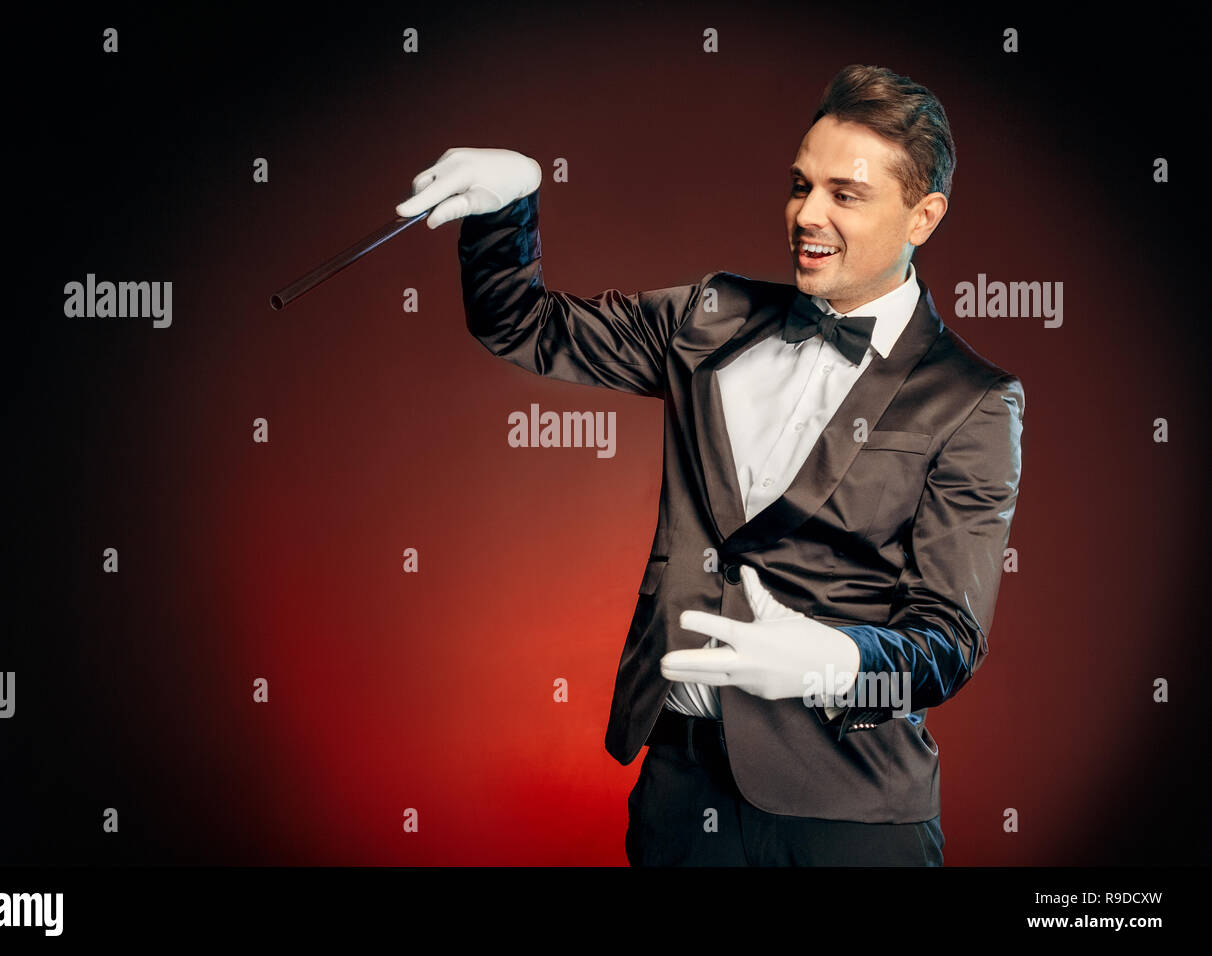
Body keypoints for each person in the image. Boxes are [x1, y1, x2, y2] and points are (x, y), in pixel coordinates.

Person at [396, 64, 1024, 866]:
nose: (808, 214)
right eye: (801, 185)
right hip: (681, 789)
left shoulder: (974, 400)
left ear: (923, 215)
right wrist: (510, 207)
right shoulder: (708, 317)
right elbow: (524, 325)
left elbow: (947, 647)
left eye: (845, 194)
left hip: (851, 811)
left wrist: (837, 666)